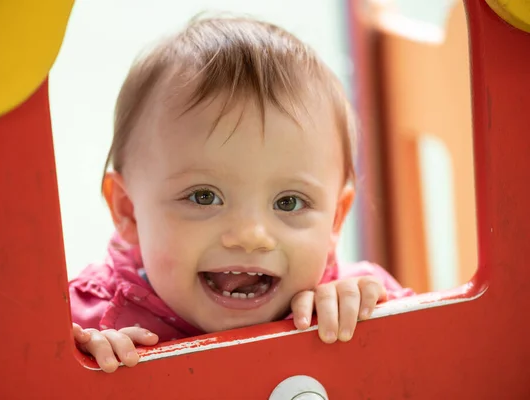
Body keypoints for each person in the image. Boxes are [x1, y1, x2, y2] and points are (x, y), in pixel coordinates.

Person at [69, 15, 414, 373]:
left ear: (335, 219)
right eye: (204, 196)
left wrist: (375, 322)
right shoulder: (89, 320)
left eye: (288, 202)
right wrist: (75, 366)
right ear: (129, 211)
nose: (251, 236)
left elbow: (441, 356)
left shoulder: (353, 299)